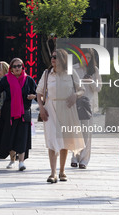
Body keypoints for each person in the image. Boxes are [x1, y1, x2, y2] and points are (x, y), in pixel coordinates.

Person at [37, 49, 85, 183]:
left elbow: (82, 89)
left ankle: (62, 171)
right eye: (52, 57)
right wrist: (41, 108)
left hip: (67, 108)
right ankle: (53, 173)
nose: (53, 59)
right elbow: (39, 92)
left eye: (56, 57)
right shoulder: (47, 74)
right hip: (50, 109)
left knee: (65, 140)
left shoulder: (71, 73)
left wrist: (75, 95)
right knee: (52, 140)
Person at [0, 58, 37, 171]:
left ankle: (21, 162)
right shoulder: (6, 79)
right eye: (15, 66)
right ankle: (13, 160)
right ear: (11, 68)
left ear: (23, 67)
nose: (17, 68)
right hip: (9, 112)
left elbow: (38, 93)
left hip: (24, 111)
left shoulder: (29, 80)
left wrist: (33, 96)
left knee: (22, 136)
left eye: (19, 66)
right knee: (11, 135)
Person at [70, 48, 102, 169]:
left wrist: (91, 82)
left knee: (86, 134)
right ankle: (74, 157)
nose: (86, 59)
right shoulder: (73, 69)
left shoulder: (94, 70)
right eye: (84, 56)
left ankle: (84, 160)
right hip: (75, 103)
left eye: (89, 57)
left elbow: (99, 88)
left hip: (88, 105)